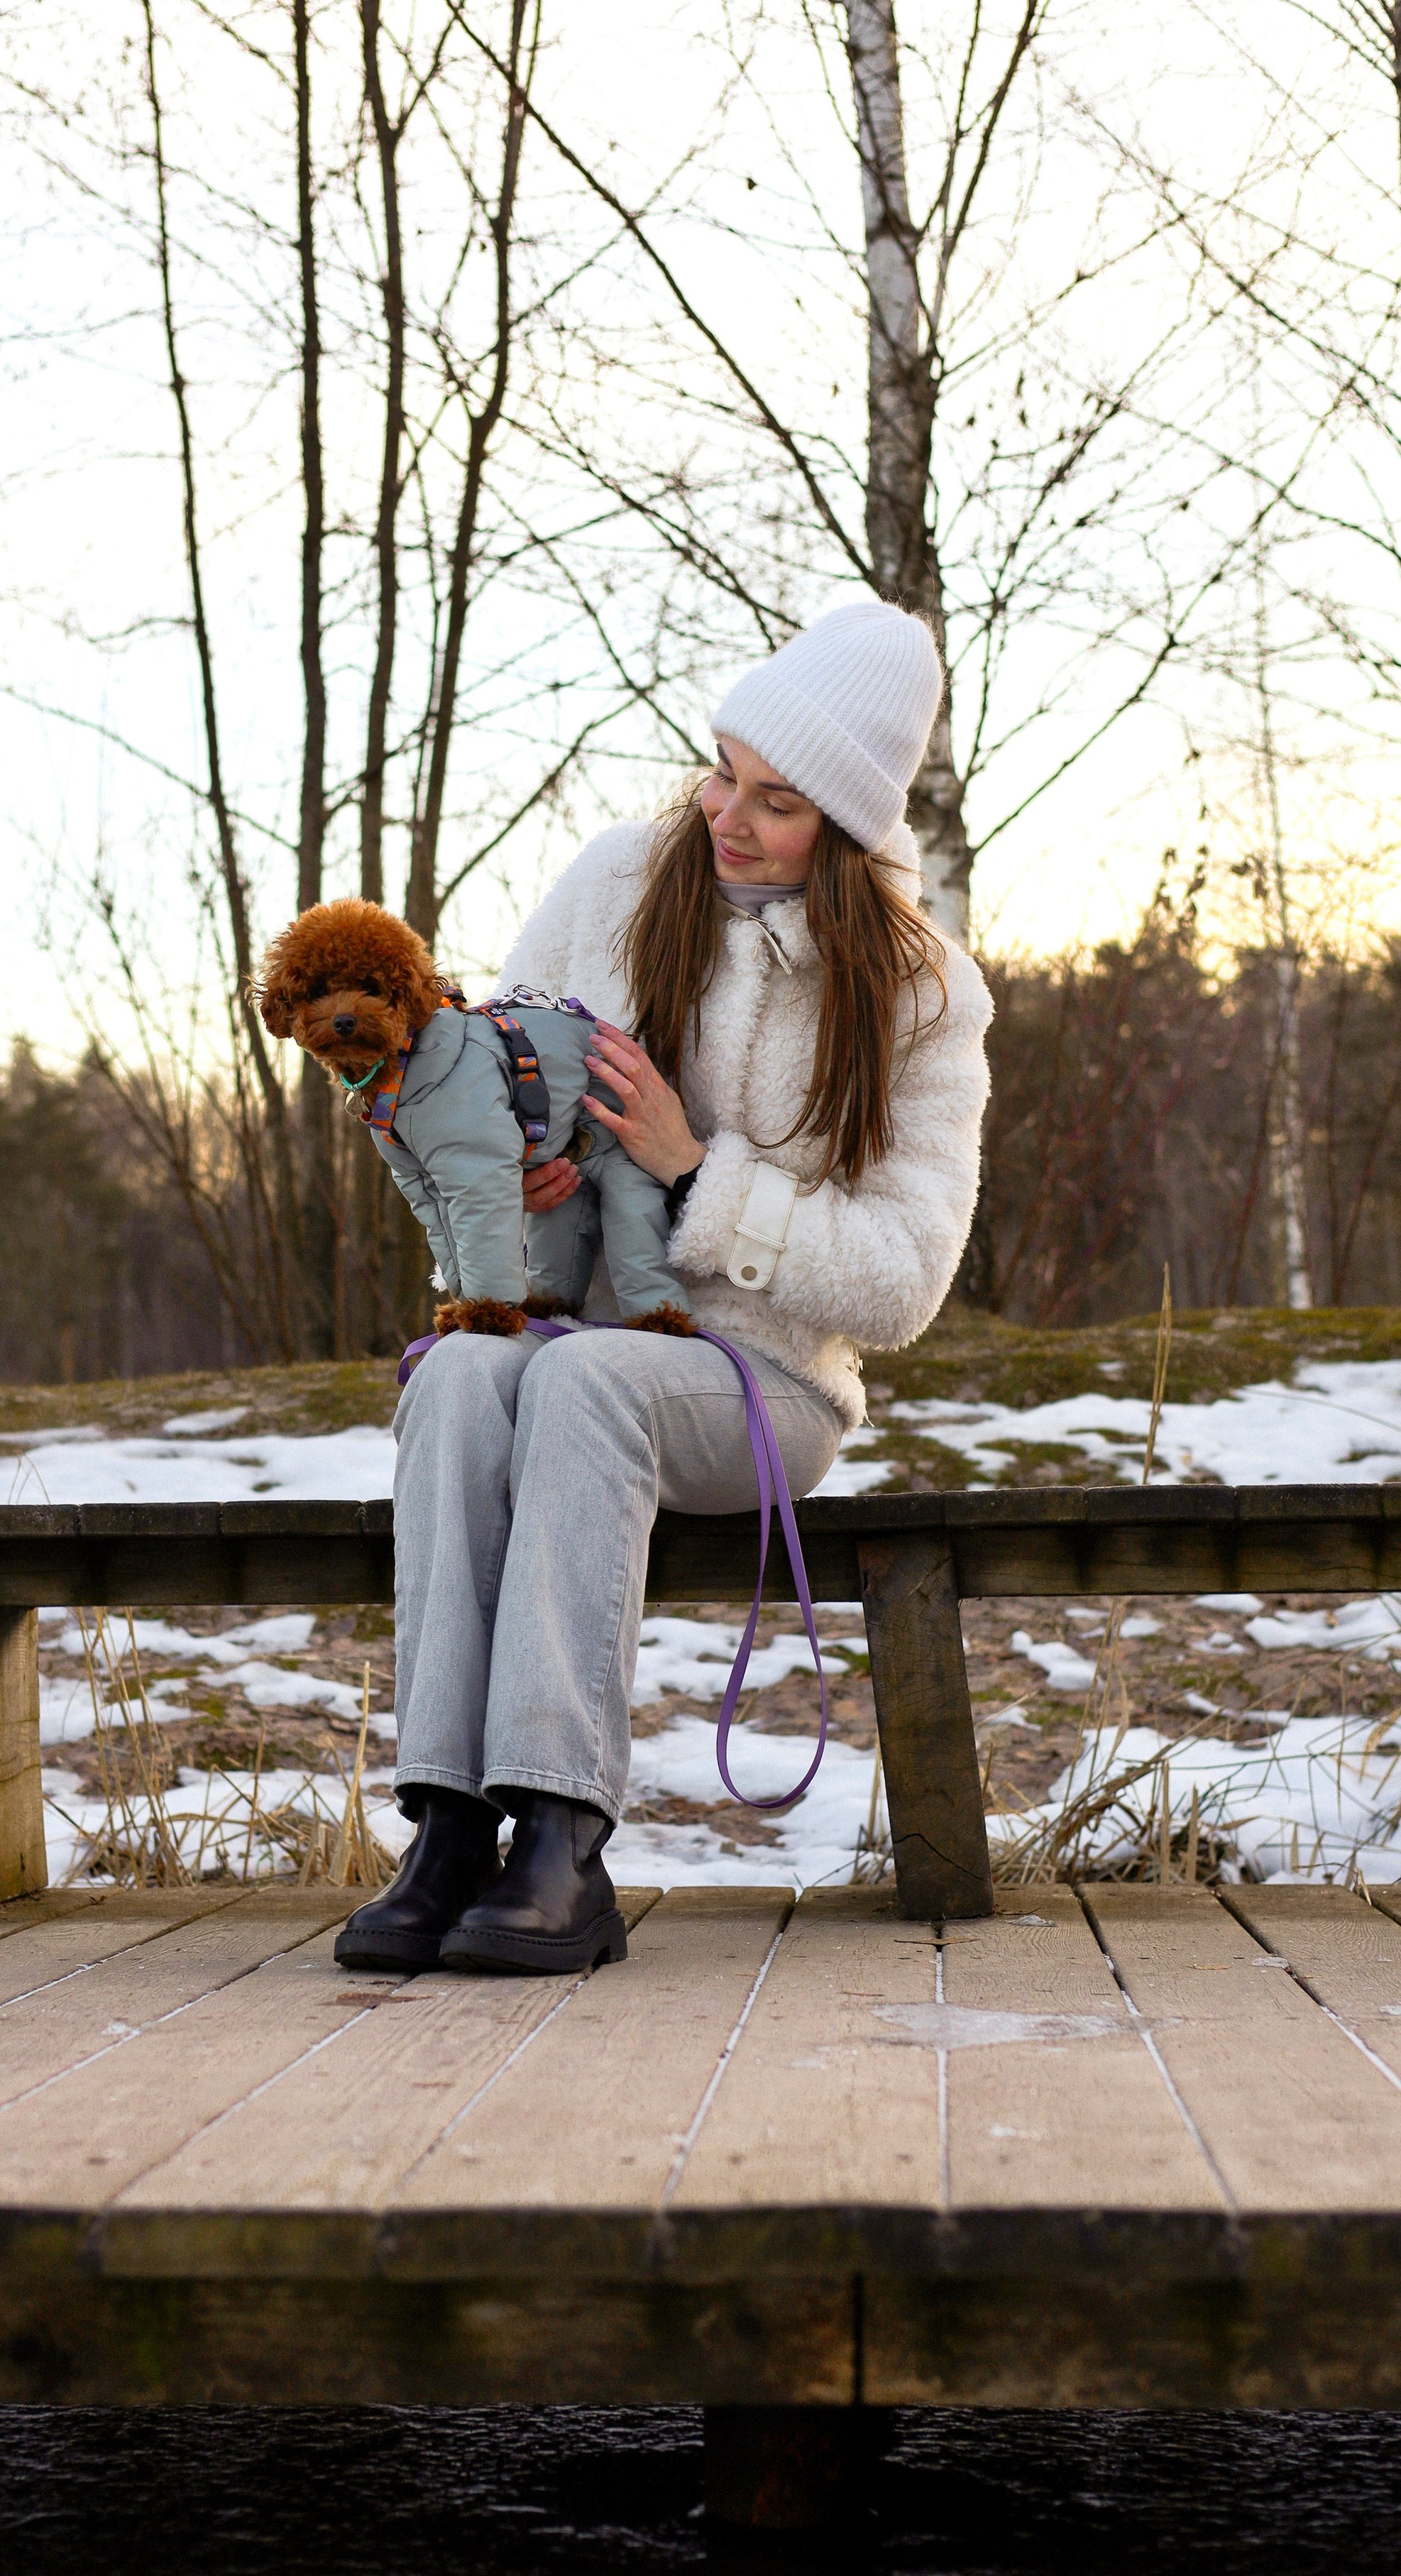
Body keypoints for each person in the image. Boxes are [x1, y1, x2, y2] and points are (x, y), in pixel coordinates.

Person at [336, 593, 992, 1978]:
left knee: (581, 1376)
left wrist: (698, 1178)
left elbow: (903, 1286)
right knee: (462, 1371)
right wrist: (494, 1153)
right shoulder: (615, 885)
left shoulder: (923, 994)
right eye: (721, 771)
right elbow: (492, 1067)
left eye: (775, 801)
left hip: (758, 1384)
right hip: (572, 1326)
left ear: (850, 829)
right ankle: (448, 1828)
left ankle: (562, 1842)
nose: (726, 815)